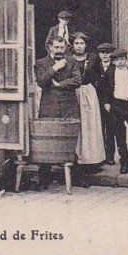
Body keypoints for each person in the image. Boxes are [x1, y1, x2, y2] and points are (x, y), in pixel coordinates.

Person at [33, 34, 87, 188]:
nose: (59, 50)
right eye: (56, 47)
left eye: (61, 47)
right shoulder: (41, 63)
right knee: (46, 140)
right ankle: (44, 179)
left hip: (68, 107)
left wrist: (59, 85)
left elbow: (77, 80)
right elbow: (41, 81)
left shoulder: (71, 61)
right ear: (50, 47)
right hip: (49, 106)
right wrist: (54, 68)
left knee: (70, 140)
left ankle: (74, 177)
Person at [69, 32, 105, 168]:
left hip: (89, 93)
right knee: (76, 125)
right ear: (73, 45)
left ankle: (92, 159)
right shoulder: (68, 58)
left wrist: (94, 90)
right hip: (72, 93)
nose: (79, 46)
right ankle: (75, 158)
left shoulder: (93, 58)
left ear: (86, 45)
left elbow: (101, 76)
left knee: (90, 125)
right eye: (76, 43)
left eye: (81, 43)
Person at [89, 42, 117, 165]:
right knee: (99, 129)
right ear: (99, 54)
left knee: (110, 129)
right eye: (102, 53)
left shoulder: (116, 67)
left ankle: (110, 155)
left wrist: (109, 102)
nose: (105, 55)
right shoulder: (94, 67)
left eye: (108, 52)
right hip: (97, 101)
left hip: (112, 102)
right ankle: (101, 155)